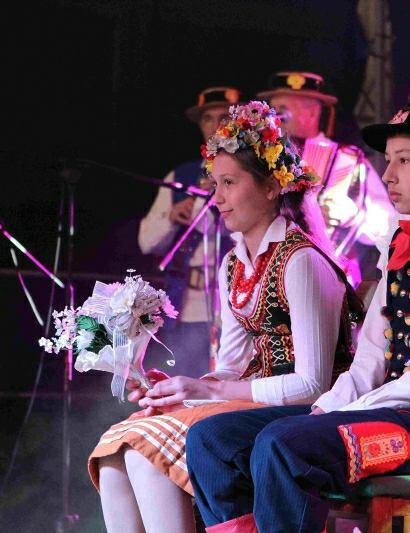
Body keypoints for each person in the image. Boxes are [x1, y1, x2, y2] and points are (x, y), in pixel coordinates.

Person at [186, 92, 410, 533]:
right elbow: (370, 359)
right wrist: (329, 406)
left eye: (404, 159)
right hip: (392, 412)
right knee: (211, 438)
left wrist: (350, 411)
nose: (388, 173)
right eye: (389, 159)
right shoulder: (402, 242)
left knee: (284, 444)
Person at [89, 101, 356, 533]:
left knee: (145, 452)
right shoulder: (234, 263)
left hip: (308, 413)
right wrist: (183, 392)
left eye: (229, 183)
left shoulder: (301, 260)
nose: (217, 199)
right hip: (254, 399)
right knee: (118, 448)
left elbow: (313, 385)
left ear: (271, 187)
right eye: (215, 184)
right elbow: (231, 367)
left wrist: (209, 390)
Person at [139, 87, 241, 378]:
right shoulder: (181, 176)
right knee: (183, 380)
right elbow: (147, 242)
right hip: (186, 303)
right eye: (208, 119)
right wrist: (172, 217)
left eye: (224, 118)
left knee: (226, 382)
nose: (216, 125)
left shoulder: (250, 176)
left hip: (232, 299)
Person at [256, 72, 394, 283]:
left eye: (283, 110)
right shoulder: (263, 159)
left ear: (313, 112)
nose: (275, 117)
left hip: (333, 278)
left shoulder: (345, 159)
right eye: (273, 109)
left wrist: (354, 216)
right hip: (271, 278)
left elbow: (389, 227)